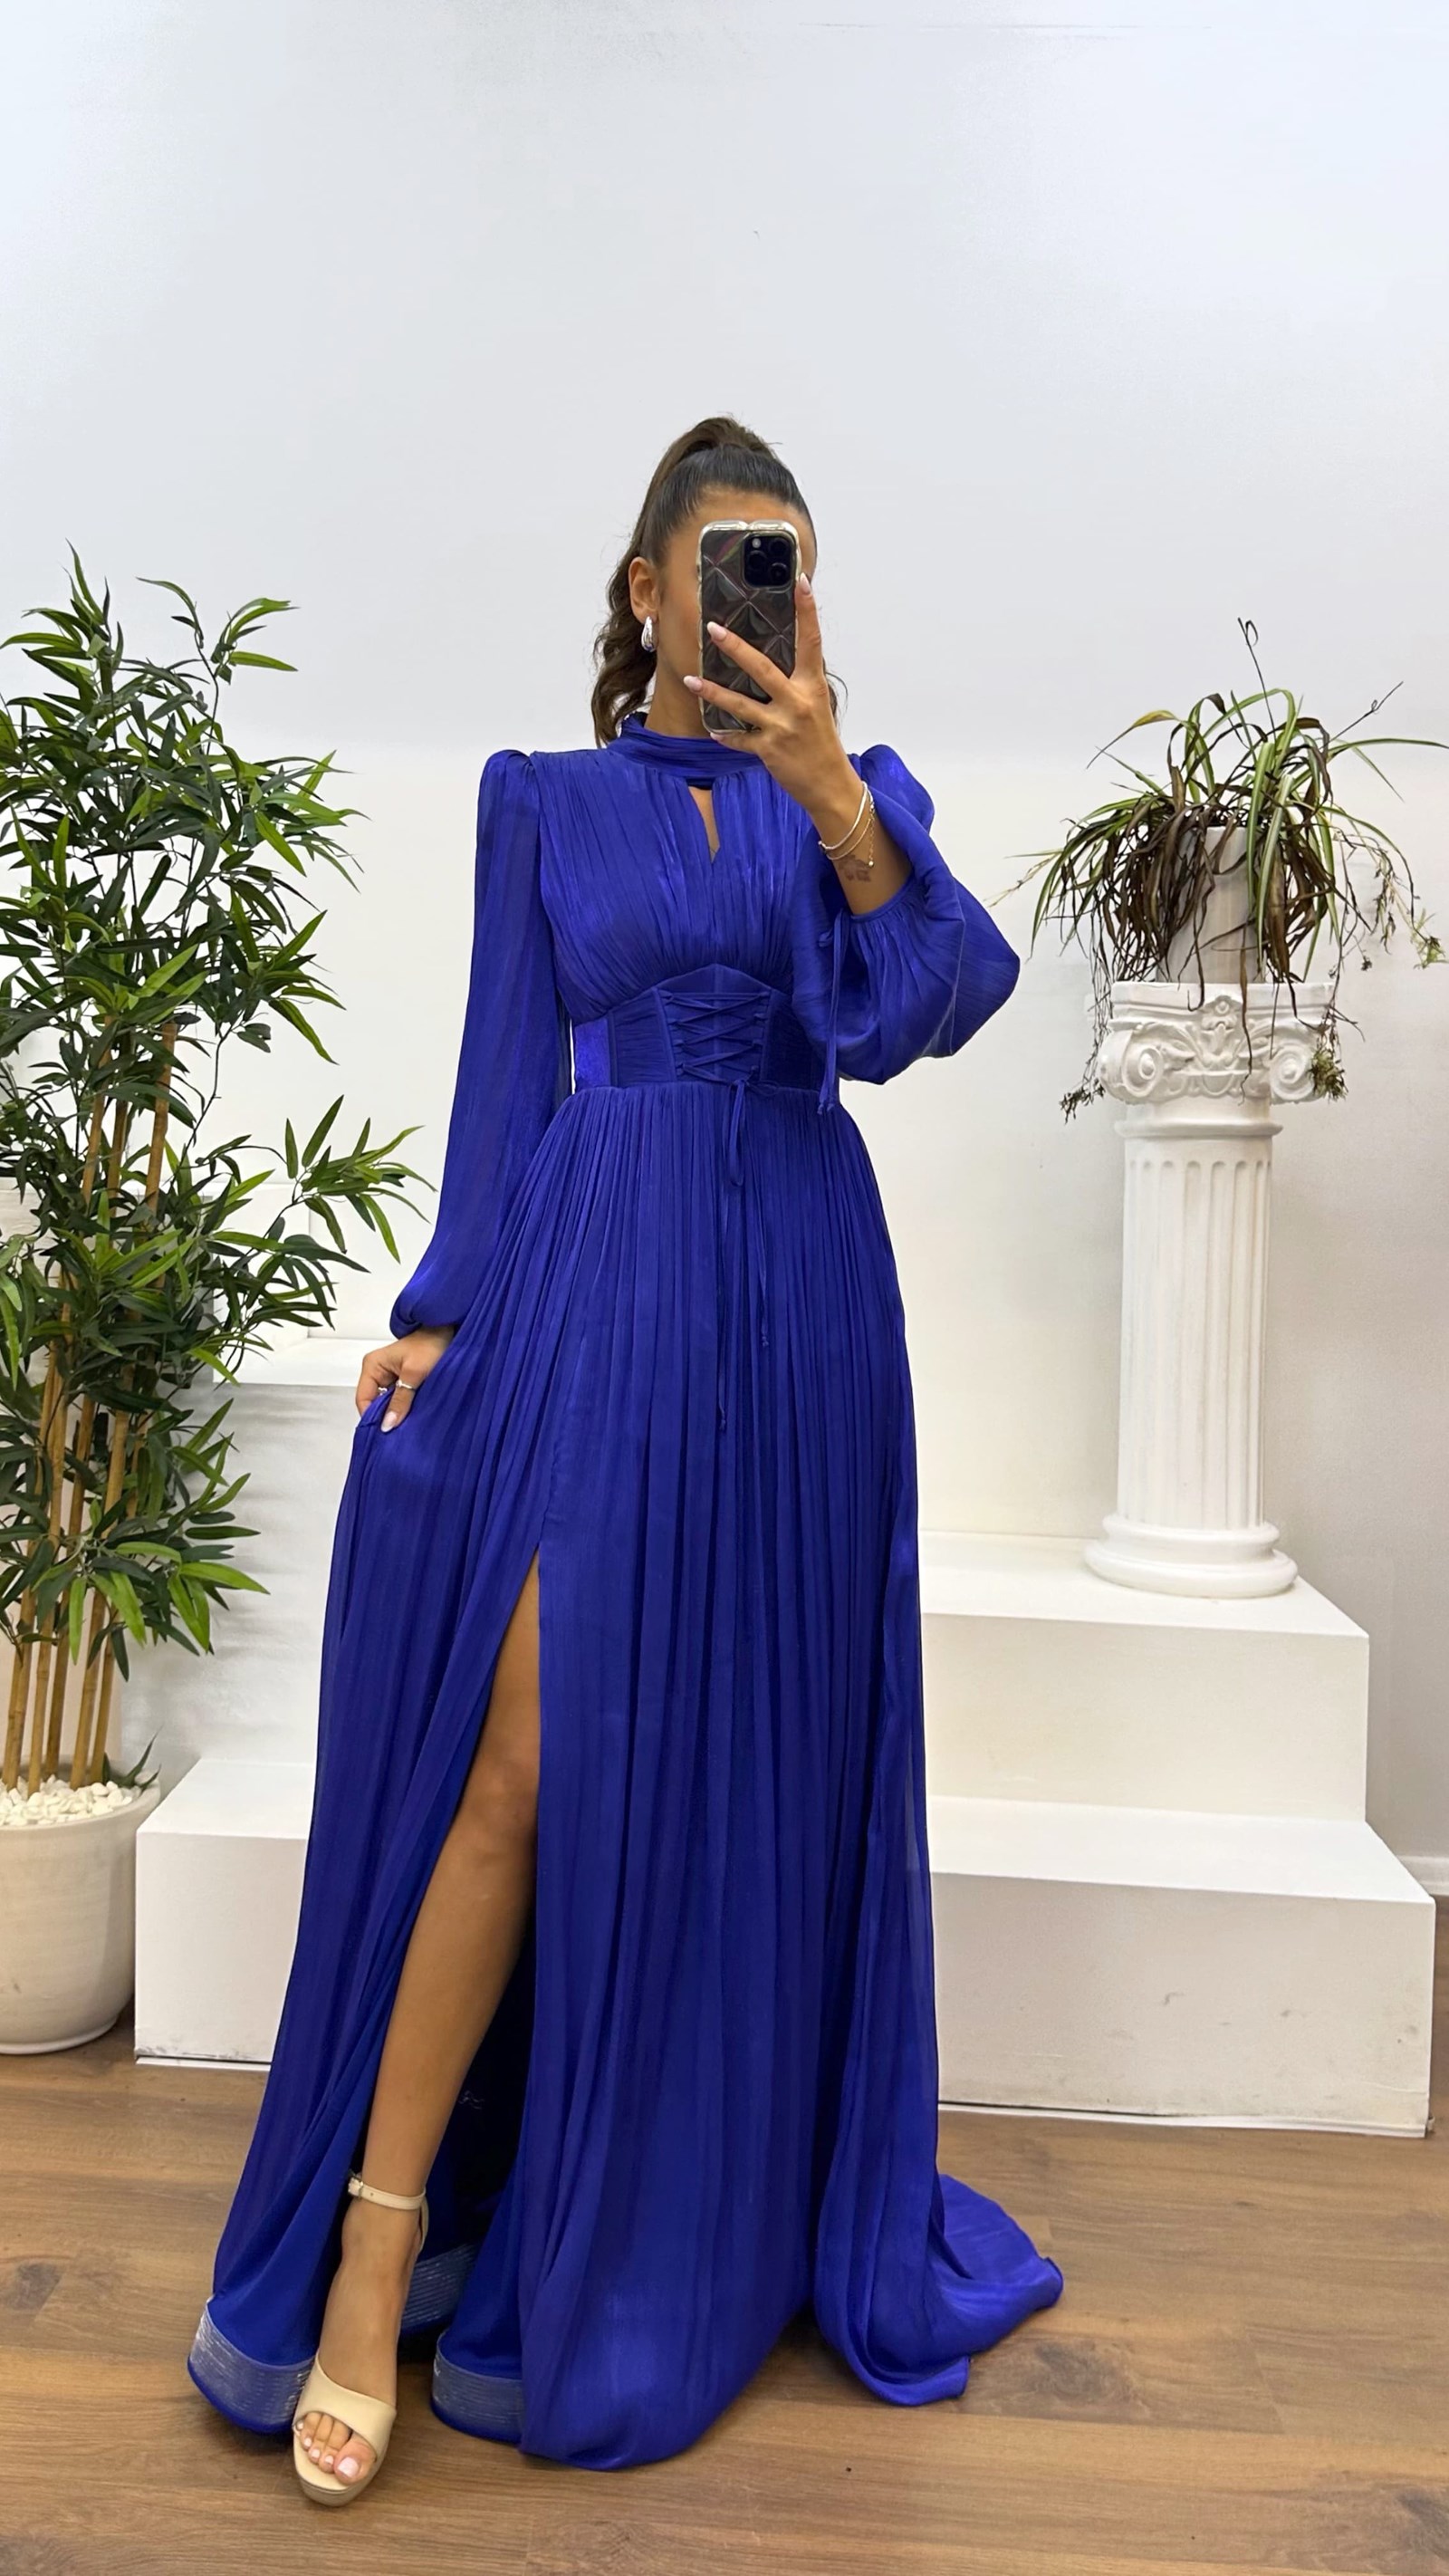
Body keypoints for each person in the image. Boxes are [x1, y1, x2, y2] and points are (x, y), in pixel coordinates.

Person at [186, 415, 1062, 2502]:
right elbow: (504, 1080)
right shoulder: (543, 800)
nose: (764, 603)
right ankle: (377, 2248)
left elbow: (930, 1006)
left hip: (800, 1311)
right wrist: (440, 1313)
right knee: (516, 1765)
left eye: (794, 570)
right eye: (732, 563)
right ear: (650, 587)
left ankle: (683, 2222)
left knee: (749, 1759)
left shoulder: (852, 796)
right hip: (607, 1279)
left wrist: (833, 795)